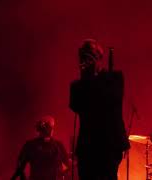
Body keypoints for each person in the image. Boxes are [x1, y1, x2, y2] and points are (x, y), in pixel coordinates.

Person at [69, 39, 130, 180]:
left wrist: (92, 77)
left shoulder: (114, 78)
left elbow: (111, 101)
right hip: (87, 147)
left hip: (109, 145)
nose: (86, 60)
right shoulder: (77, 85)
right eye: (83, 57)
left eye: (90, 56)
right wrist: (86, 77)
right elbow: (76, 106)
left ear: (99, 58)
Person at [11, 115, 69, 180]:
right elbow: (66, 165)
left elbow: (20, 164)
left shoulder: (30, 145)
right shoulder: (58, 145)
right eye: (50, 127)